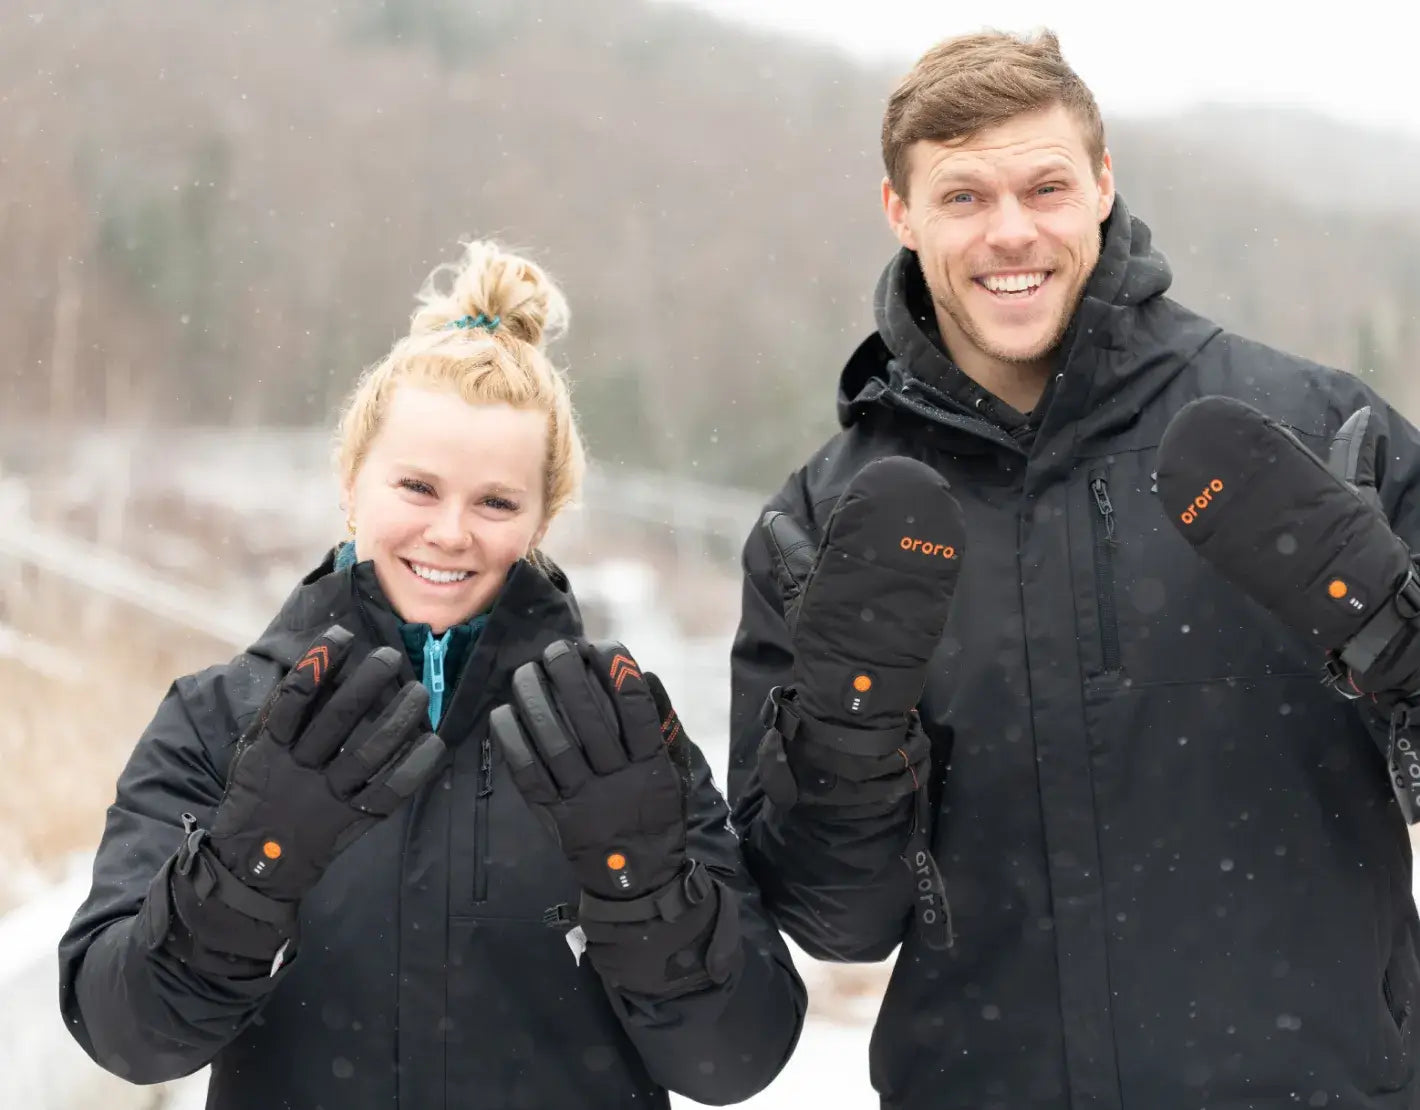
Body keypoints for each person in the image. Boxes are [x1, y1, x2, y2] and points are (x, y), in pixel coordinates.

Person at [727, 28, 1420, 1109]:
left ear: (1101, 184)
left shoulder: (1320, 437)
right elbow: (832, 920)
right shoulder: (822, 527)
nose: (1011, 232)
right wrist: (846, 756)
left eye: (1044, 185)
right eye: (962, 197)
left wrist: (1404, 657)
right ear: (900, 213)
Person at [59, 239, 806, 1109]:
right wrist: (248, 865)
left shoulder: (617, 730)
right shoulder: (218, 718)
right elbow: (127, 1037)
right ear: (351, 483)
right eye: (417, 486)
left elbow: (737, 1060)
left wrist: (640, 884)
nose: (451, 532)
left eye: (495, 501)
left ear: (540, 520)